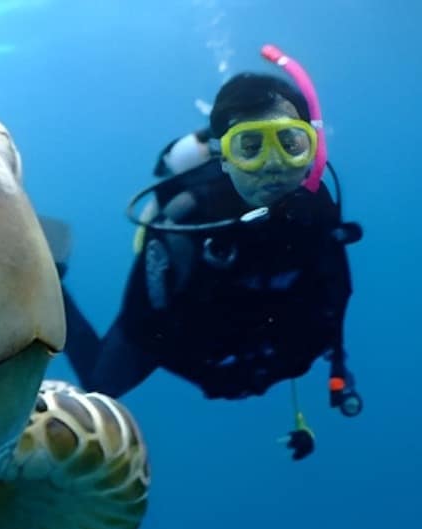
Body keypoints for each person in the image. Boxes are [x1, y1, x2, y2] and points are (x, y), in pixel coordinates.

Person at [56, 47, 363, 460]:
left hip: (242, 332)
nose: (273, 165)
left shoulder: (319, 212)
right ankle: (51, 276)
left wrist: (296, 361)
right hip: (187, 332)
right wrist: (211, 376)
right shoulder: (187, 220)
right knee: (99, 383)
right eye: (249, 146)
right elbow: (146, 326)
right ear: (223, 156)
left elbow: (335, 299)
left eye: (290, 143)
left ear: (312, 150)